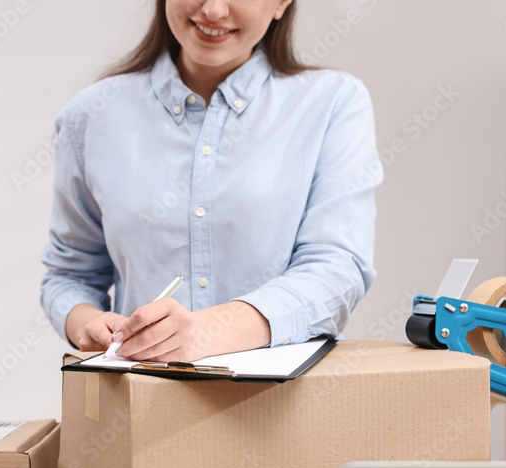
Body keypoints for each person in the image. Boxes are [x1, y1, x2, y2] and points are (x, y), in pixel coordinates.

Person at [40, 0, 381, 362]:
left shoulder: (332, 103)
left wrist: (207, 331)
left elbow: (337, 269)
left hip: (282, 406)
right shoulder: (91, 116)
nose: (214, 10)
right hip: (141, 399)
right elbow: (69, 275)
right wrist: (88, 323)